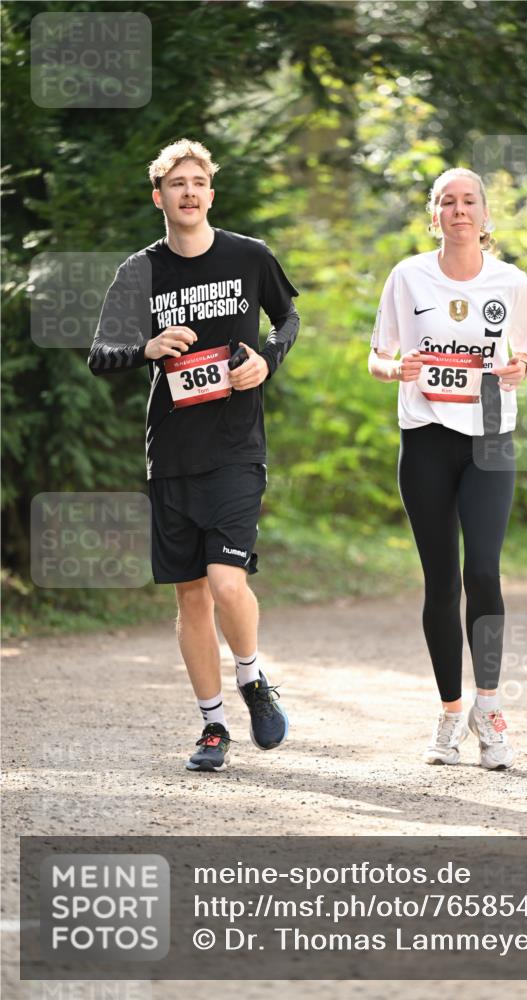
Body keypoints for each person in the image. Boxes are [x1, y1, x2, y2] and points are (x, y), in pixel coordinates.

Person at [88, 138, 299, 772]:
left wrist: (266, 357)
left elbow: (287, 318)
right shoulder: (140, 272)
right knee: (190, 598)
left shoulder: (249, 256)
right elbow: (101, 354)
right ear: (160, 197)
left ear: (210, 193)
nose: (188, 192)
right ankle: (212, 726)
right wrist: (147, 348)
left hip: (236, 446)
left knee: (228, 582)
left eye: (198, 183)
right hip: (173, 453)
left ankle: (253, 678)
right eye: (176, 184)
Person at [368, 167, 527, 770]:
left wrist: (522, 365)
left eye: (469, 202)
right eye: (448, 202)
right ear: (433, 214)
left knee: (484, 572)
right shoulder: (407, 276)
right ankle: (448, 712)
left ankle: (488, 710)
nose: (459, 211)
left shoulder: (511, 280)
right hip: (426, 438)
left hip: (491, 434)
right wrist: (397, 369)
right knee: (441, 581)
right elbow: (377, 355)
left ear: (485, 216)